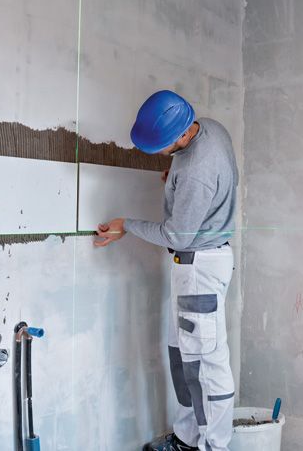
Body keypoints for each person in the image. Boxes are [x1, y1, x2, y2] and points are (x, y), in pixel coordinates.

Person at [95, 90, 238, 451]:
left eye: (161, 147)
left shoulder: (195, 172)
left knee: (205, 364)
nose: (159, 154)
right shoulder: (209, 128)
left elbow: (178, 235)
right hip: (199, 263)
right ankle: (188, 439)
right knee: (183, 356)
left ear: (180, 137)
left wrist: (126, 225)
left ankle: (213, 446)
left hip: (199, 265)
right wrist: (174, 178)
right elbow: (209, 174)